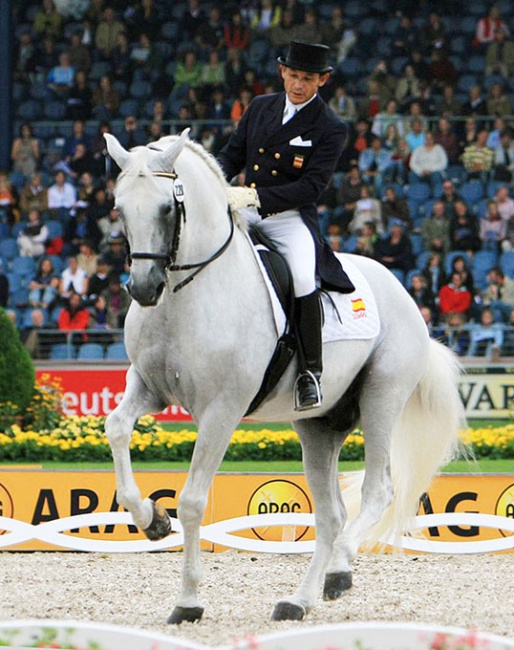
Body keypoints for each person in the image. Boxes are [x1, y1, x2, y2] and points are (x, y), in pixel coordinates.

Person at [217, 40, 354, 411]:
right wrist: (212, 181)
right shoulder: (261, 107)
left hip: (288, 217)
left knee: (303, 278)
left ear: (321, 80)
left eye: (306, 78)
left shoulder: (330, 126)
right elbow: (231, 155)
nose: (297, 85)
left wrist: (256, 198)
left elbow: (311, 186)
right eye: (293, 75)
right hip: (244, 207)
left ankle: (311, 373)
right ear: (282, 72)